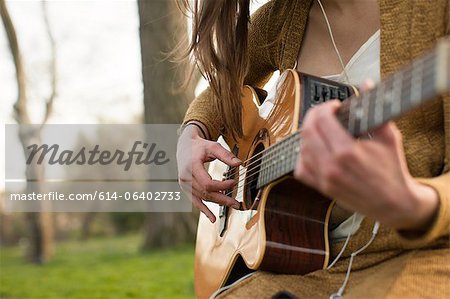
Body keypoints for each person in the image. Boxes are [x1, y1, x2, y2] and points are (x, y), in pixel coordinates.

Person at [176, 0, 450, 298]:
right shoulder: (282, 19)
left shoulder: (436, 9)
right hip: (311, 270)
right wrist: (191, 134)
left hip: (425, 257)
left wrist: (412, 203)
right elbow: (222, 87)